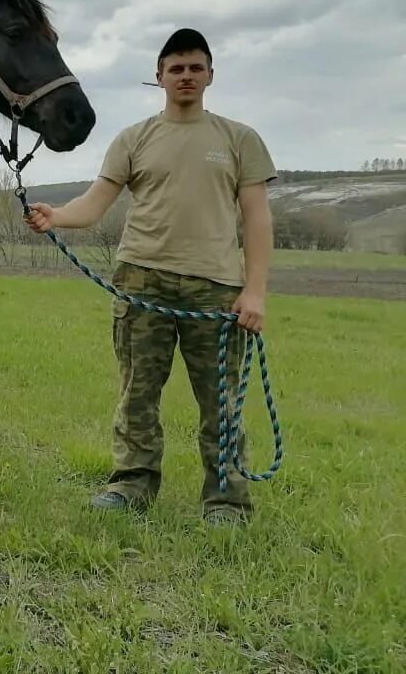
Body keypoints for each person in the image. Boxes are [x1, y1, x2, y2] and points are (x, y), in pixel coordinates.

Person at [23, 28, 276, 524]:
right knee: (137, 395)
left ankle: (225, 500)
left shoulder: (238, 139)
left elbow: (258, 219)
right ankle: (131, 486)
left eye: (195, 67)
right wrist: (57, 216)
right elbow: (96, 203)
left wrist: (255, 292)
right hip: (141, 282)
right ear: (159, 76)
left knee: (220, 403)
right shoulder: (134, 138)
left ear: (209, 76)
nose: (185, 76)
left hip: (216, 289)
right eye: (175, 68)